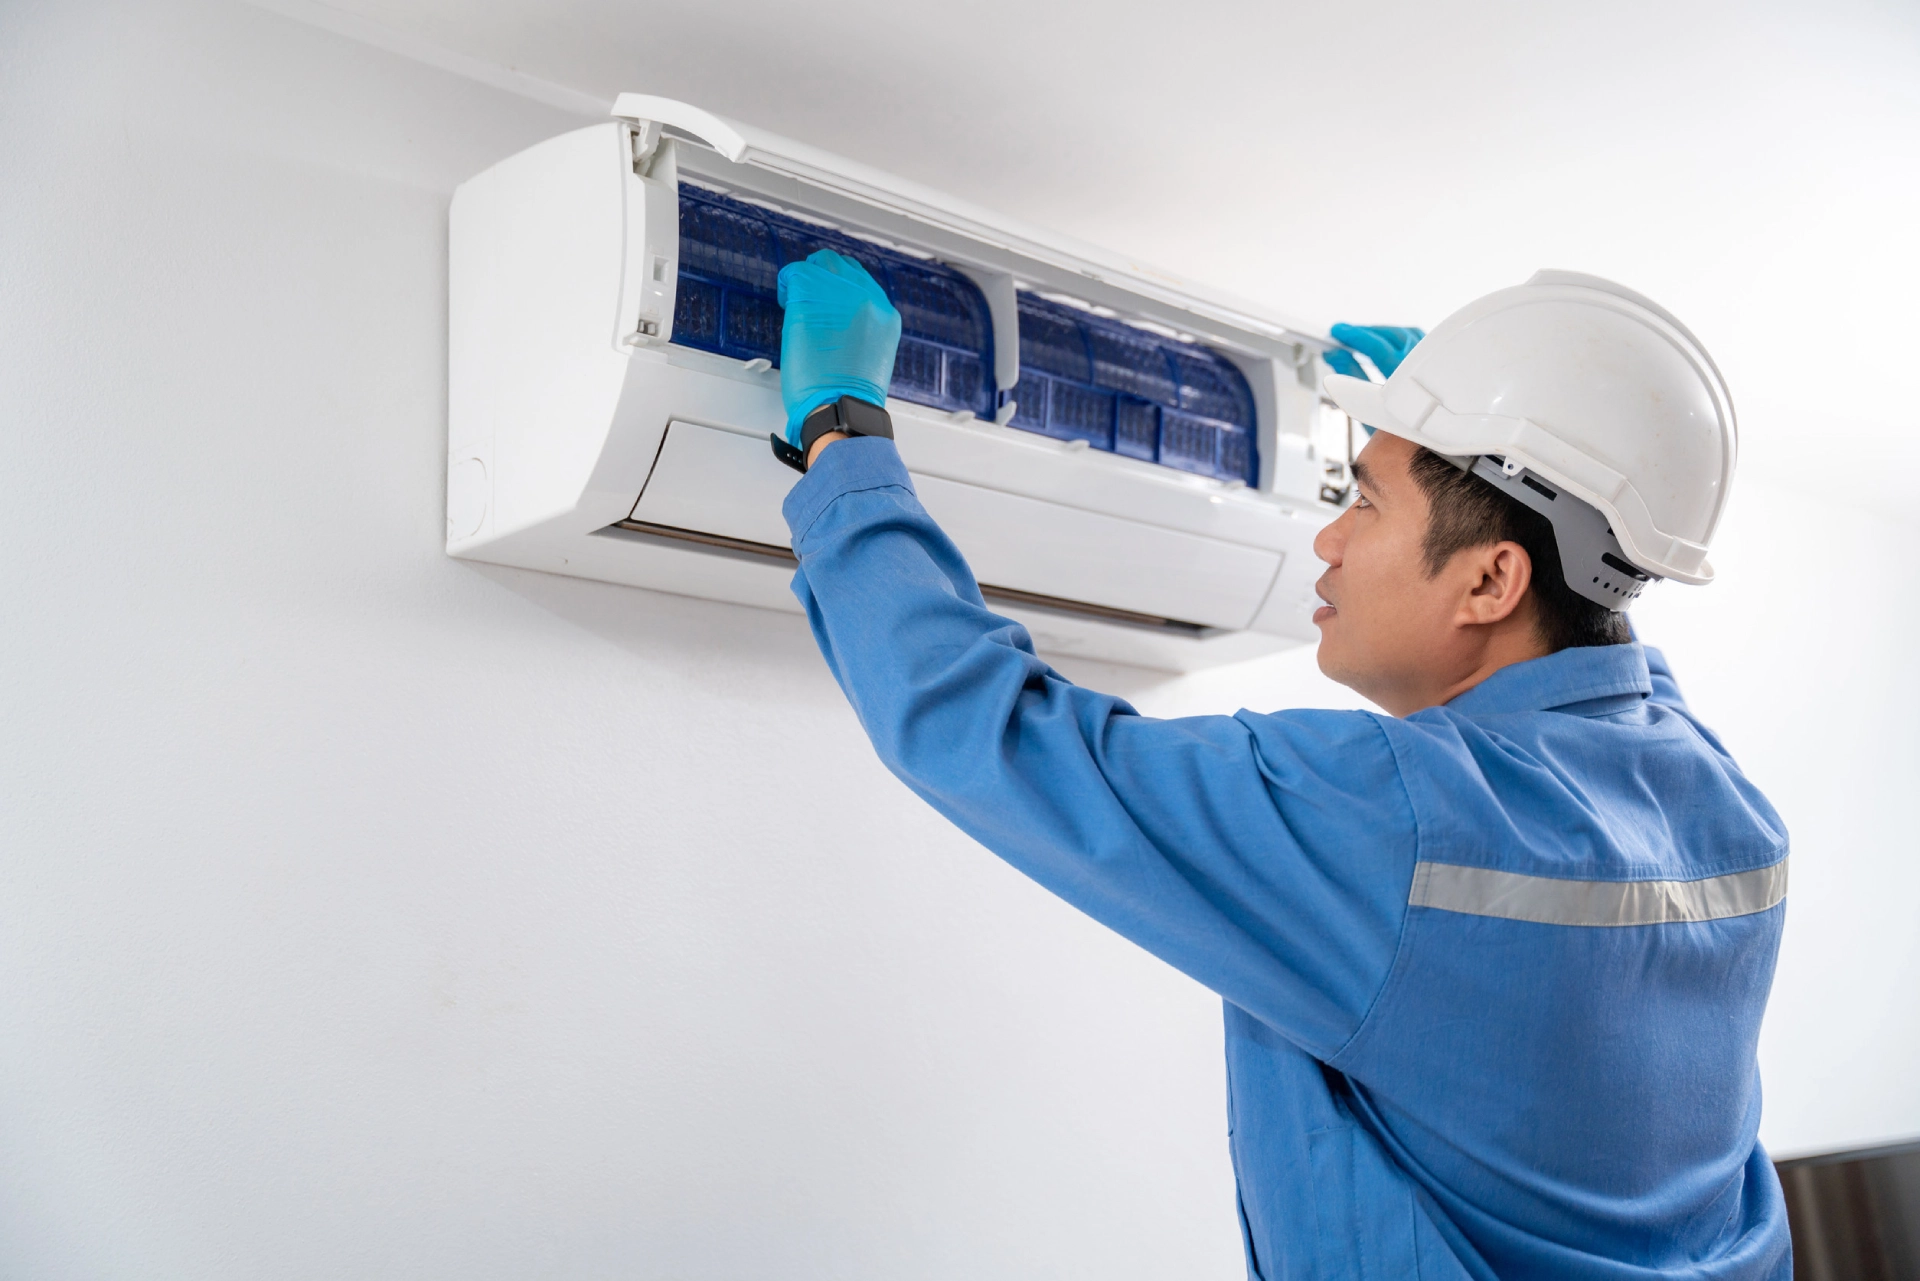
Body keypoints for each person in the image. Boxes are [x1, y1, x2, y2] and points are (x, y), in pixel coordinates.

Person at [769, 251, 1790, 1280]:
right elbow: (1601, 660)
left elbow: (984, 727)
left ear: (1492, 579)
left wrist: (840, 436)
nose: (1330, 541)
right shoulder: (1726, 804)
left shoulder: (1390, 820)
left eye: (1367, 501)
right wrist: (1469, 413)